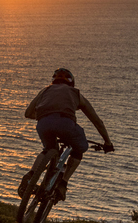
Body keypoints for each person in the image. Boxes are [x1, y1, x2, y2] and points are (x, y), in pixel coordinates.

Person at [20, 67, 114, 202]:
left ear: (53, 81)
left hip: (43, 123)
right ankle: (63, 184)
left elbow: (28, 113)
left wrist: (47, 116)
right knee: (79, 149)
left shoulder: (45, 91)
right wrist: (108, 143)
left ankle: (30, 175)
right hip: (66, 124)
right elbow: (97, 121)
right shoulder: (76, 94)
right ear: (72, 83)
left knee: (48, 150)